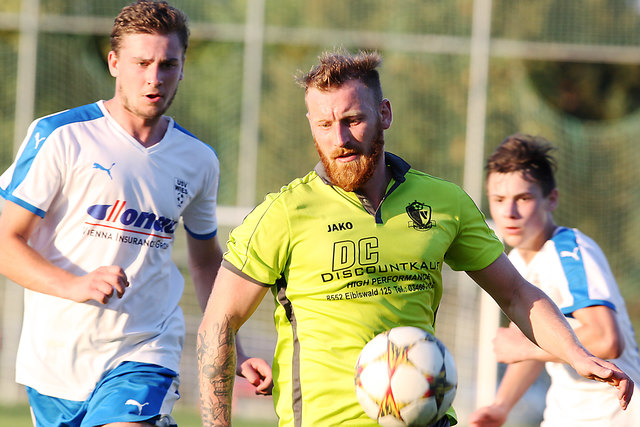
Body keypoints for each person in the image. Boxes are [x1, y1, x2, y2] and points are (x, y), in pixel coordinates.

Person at [196, 50, 634, 427]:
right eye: (325, 125)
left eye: (353, 119)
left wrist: (575, 354)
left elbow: (517, 294)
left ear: (384, 114)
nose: (340, 139)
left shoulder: (442, 202)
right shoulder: (283, 214)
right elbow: (218, 322)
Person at [0, 1, 269, 426]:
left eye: (167, 64)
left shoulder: (198, 160)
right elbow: (5, 243)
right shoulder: (60, 137)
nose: (153, 78)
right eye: (141, 62)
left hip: (145, 347)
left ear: (182, 67)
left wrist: (230, 345)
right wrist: (75, 285)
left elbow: (204, 263)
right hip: (53, 361)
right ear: (113, 63)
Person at [469, 134, 640, 427]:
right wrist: (501, 406)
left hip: (615, 417)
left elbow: (607, 339)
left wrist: (523, 348)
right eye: (499, 200)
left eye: (523, 198)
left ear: (552, 199)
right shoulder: (518, 262)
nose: (508, 212)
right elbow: (536, 343)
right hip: (565, 416)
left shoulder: (569, 251)